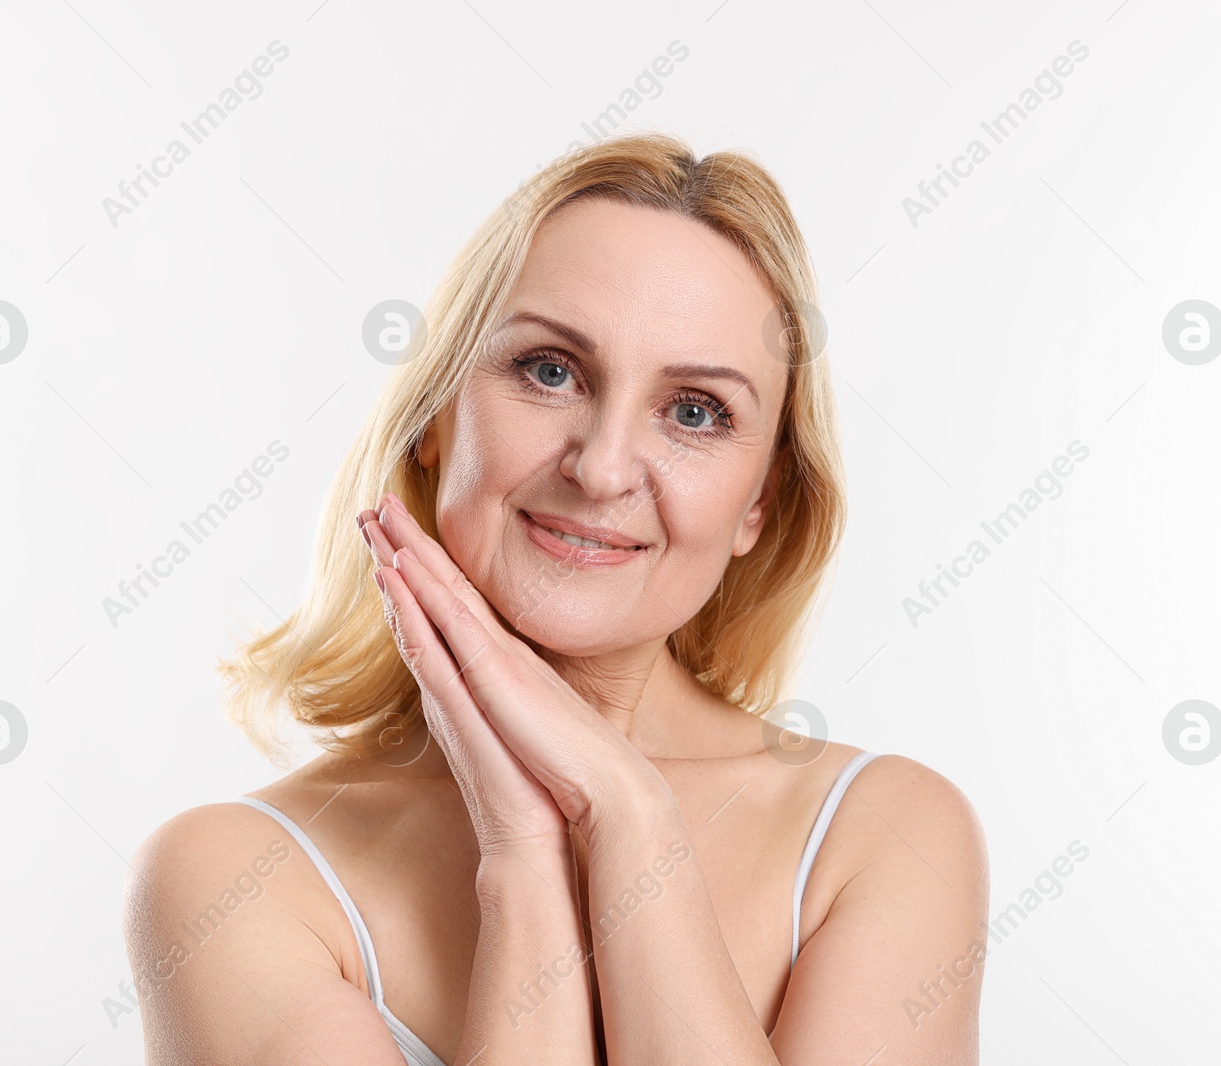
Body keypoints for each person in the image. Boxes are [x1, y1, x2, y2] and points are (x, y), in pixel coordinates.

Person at [123, 131, 989, 1065]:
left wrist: (628, 815)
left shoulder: (886, 834)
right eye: (549, 371)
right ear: (434, 417)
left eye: (695, 411)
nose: (604, 465)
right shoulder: (231, 881)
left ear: (759, 505)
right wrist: (524, 855)